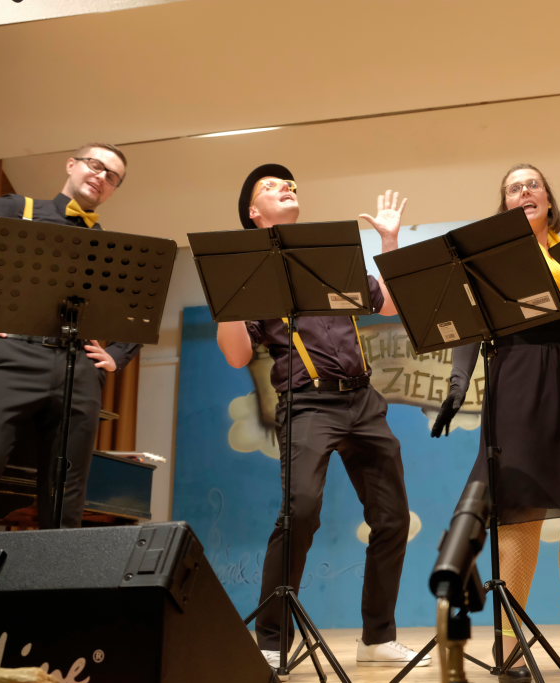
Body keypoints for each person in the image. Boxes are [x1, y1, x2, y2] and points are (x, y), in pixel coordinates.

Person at [216, 163, 426, 672]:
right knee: (302, 511)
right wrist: (227, 296)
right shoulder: (248, 271)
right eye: (271, 187)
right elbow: (237, 356)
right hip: (307, 403)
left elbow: (388, 305)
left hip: (363, 400)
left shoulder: (328, 255)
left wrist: (389, 241)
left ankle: (377, 637)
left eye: (289, 183)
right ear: (253, 212)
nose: (285, 187)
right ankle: (271, 639)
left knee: (393, 518)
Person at [434, 164, 560, 679]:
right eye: (514, 187)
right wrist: (457, 385)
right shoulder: (488, 261)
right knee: (520, 513)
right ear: (505, 205)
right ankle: (510, 642)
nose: (525, 191)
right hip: (517, 378)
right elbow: (469, 326)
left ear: (548, 199)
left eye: (533, 184)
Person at [0, 143, 139, 533]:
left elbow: (140, 305)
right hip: (11, 358)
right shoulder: (17, 209)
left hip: (79, 370)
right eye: (95, 165)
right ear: (71, 164)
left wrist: (119, 355)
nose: (101, 176)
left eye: (113, 176)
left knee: (64, 507)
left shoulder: (108, 245)